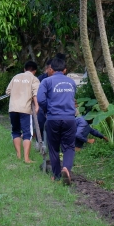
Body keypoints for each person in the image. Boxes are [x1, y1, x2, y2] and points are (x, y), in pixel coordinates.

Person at [37, 56, 77, 185]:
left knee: (54, 147)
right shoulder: (71, 83)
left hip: (53, 118)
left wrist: (48, 109)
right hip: (70, 119)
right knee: (69, 146)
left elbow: (40, 100)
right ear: (65, 70)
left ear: (51, 69)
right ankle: (66, 168)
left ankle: (57, 175)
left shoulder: (46, 82)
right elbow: (72, 98)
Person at [6, 61, 40, 163]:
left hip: (13, 108)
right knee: (27, 133)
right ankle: (26, 158)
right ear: (34, 71)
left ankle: (18, 155)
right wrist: (37, 106)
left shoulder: (16, 77)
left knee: (15, 131)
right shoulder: (34, 79)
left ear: (24, 69)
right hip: (25, 109)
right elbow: (35, 94)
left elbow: (8, 91)